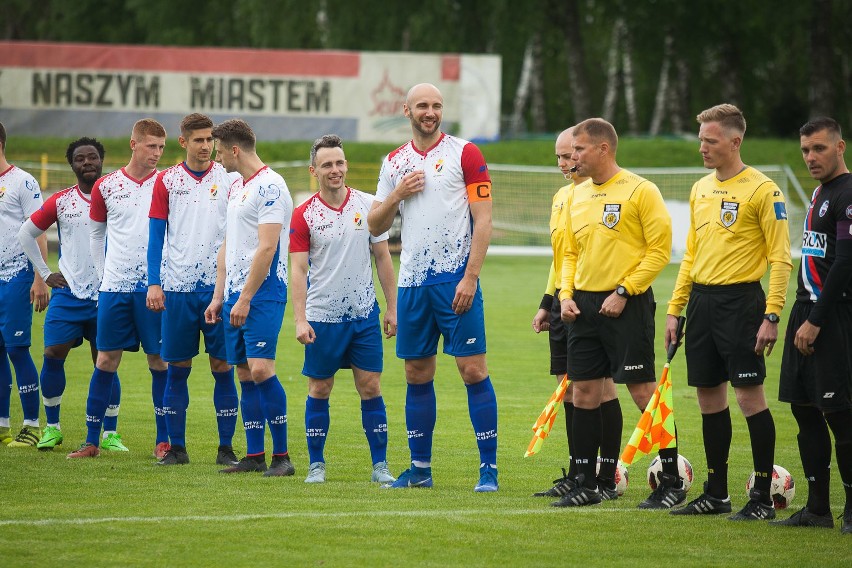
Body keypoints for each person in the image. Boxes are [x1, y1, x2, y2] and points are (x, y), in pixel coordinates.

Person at [368, 83, 499, 492]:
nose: (430, 112)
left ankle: (489, 470)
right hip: (412, 285)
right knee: (415, 373)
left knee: (473, 370)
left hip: (455, 280)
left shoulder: (466, 153)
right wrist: (397, 195)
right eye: (423, 105)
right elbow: (374, 225)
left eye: (437, 105)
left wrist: (470, 276)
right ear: (406, 110)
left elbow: (484, 219)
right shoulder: (394, 162)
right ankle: (420, 470)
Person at [666, 104, 792, 520]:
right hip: (701, 303)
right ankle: (716, 492)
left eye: (710, 140)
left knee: (748, 397)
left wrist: (772, 314)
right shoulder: (700, 188)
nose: (702, 147)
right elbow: (692, 254)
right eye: (701, 138)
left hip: (742, 304)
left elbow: (780, 257)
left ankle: (760, 497)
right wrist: (675, 308)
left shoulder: (763, 190)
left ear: (735, 141)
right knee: (707, 397)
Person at [557, 118, 676, 508]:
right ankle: (588, 484)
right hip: (583, 307)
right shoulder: (577, 196)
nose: (573, 157)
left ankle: (672, 479)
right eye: (572, 150)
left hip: (627, 304)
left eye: (579, 150)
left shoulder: (641, 190)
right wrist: (565, 295)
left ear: (603, 149)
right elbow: (571, 253)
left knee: (643, 392)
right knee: (585, 391)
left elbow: (659, 249)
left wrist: (625, 290)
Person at [290, 134, 398, 484]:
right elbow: (299, 269)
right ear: (314, 170)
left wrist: (391, 308)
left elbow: (383, 258)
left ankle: (380, 466)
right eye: (327, 165)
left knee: (370, 387)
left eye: (339, 163)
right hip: (322, 319)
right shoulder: (303, 214)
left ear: (346, 165)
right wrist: (300, 319)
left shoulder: (369, 206)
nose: (334, 170)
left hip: (363, 316)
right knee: (319, 389)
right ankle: (316, 465)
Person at [66, 119, 170, 459]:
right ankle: (92, 441)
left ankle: (164, 441)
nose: (156, 153)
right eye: (151, 146)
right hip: (115, 289)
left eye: (161, 147)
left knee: (159, 362)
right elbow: (96, 234)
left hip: (154, 289)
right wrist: (102, 277)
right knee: (106, 360)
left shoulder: (168, 183)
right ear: (133, 144)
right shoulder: (106, 186)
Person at [531, 128, 624, 499]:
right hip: (562, 301)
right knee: (567, 390)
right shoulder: (560, 198)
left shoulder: (606, 195)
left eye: (570, 155)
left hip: (594, 300)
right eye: (558, 157)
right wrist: (546, 300)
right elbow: (561, 257)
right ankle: (575, 472)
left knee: (600, 389)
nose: (564, 164)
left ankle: (606, 475)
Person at [18, 138, 126, 452]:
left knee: (105, 360)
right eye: (80, 158)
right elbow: (27, 232)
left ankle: (110, 433)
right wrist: (45, 272)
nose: (87, 162)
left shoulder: (117, 197)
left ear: (102, 160)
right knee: (52, 354)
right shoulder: (62, 201)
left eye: (93, 157)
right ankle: (52, 428)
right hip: (69, 293)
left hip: (107, 293)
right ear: (73, 165)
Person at [771, 117, 852, 534]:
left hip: (830, 316)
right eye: (805, 150)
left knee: (839, 413)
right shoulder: (820, 192)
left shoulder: (848, 193)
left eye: (819, 148)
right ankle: (817, 508)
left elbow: (845, 262)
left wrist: (817, 319)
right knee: (804, 410)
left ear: (840, 147)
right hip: (806, 311)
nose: (810, 157)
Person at [147, 113, 239, 467]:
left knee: (222, 367)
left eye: (209, 140)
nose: (205, 146)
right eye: (198, 140)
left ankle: (226, 448)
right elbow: (156, 236)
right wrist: (154, 282)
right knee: (177, 368)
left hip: (219, 289)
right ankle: (178, 449)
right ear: (183, 142)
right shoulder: (166, 181)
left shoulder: (230, 181)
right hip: (177, 290)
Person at [206, 119, 295, 477]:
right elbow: (229, 245)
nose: (217, 158)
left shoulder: (271, 186)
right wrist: (219, 295)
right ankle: (255, 455)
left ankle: (282, 457)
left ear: (234, 150)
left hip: (263, 292)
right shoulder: (237, 187)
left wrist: (244, 298)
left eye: (218, 150)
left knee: (261, 369)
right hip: (232, 295)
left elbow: (268, 247)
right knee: (244, 372)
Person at [0, 121, 49, 447]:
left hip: (16, 276)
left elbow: (39, 229)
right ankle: (3, 425)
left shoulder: (23, 182)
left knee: (17, 349)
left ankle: (31, 425)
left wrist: (39, 277)